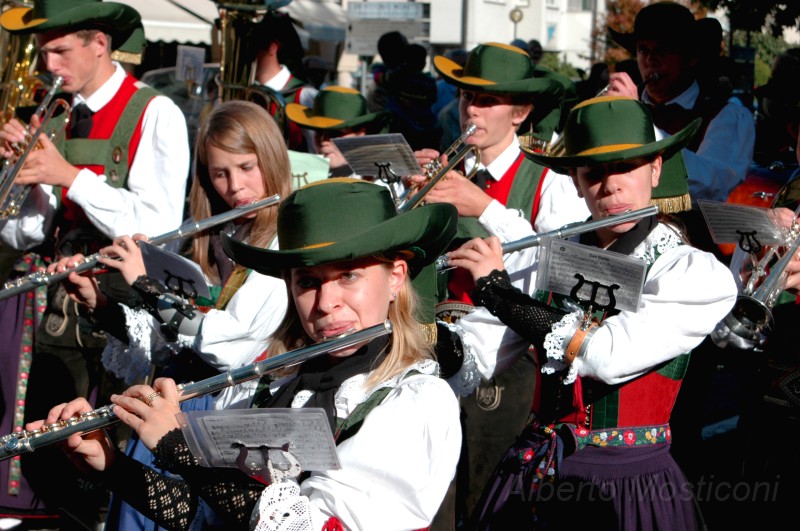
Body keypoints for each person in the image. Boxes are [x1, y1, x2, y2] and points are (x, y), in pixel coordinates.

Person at [29, 178, 462, 530]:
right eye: (307, 281)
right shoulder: (273, 384)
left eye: (348, 275)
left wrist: (178, 446)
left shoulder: (415, 403)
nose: (326, 303)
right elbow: (210, 517)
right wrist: (112, 468)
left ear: (395, 277)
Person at [445, 95, 738, 530]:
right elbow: (477, 354)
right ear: (576, 182)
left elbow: (606, 356)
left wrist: (501, 295)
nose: (611, 186)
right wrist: (416, 340)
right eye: (594, 173)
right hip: (536, 473)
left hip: (629, 488)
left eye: (626, 167)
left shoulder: (692, 272)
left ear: (656, 169)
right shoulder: (548, 253)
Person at [51, 99, 292, 530]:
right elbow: (167, 345)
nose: (235, 186)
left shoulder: (283, 240)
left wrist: (148, 285)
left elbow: (229, 346)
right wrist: (100, 303)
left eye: (247, 167)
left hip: (223, 417)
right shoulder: (212, 236)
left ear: (272, 159)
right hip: (169, 406)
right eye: (220, 173)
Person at [0, 1, 190, 528]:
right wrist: (21, 176)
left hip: (122, 315)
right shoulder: (56, 115)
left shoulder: (155, 111)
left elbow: (160, 228)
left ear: (100, 44)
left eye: (61, 51)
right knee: (47, 453)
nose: (49, 65)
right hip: (53, 313)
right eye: (44, 53)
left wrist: (69, 176)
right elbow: (25, 233)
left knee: (105, 456)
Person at [408, 41, 589, 527]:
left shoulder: (550, 181)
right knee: (431, 500)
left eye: (488, 100)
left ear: (521, 112)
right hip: (433, 348)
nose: (471, 109)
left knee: (483, 498)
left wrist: (485, 207)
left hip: (505, 362)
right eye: (467, 96)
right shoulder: (448, 171)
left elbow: (558, 265)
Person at [606, 1, 755, 203]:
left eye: (662, 50)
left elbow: (715, 185)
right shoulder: (625, 110)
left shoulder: (726, 115)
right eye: (643, 50)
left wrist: (639, 125)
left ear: (691, 57)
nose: (650, 60)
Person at [250, 10, 318, 152]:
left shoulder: (305, 96)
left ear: (272, 47)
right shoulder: (246, 94)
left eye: (250, 48)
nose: (244, 57)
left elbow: (317, 153)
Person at [285, 86, 390, 178]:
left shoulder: (381, 183)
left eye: (335, 134)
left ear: (360, 134)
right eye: (319, 132)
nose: (323, 141)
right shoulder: (300, 177)